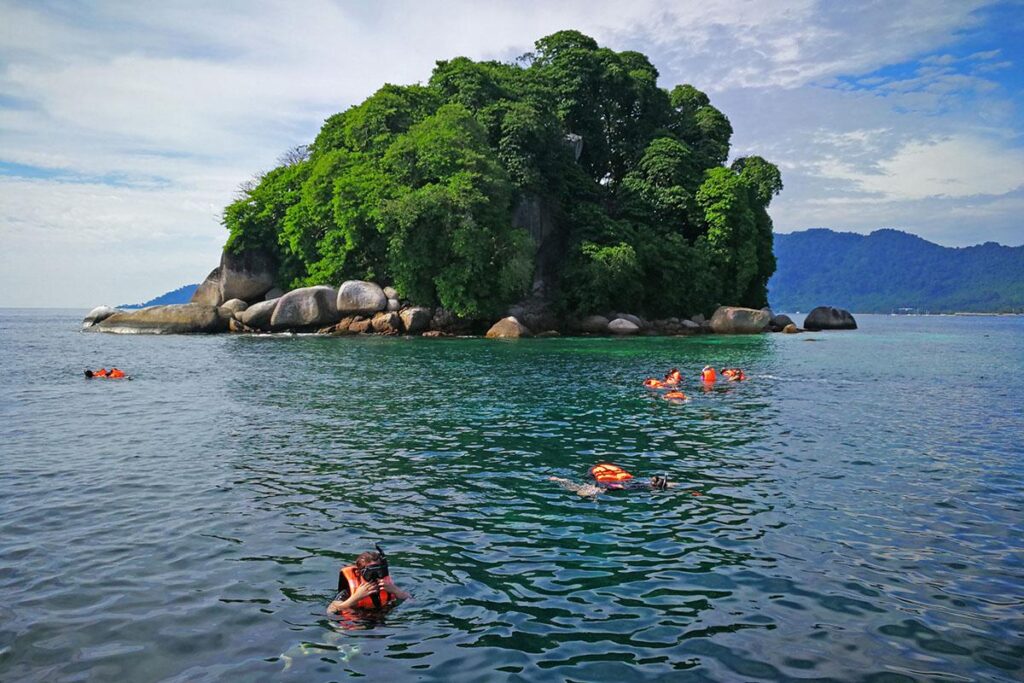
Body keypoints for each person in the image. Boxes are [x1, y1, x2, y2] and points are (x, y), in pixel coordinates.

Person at [327, 546, 410, 615]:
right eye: (370, 573)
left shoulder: (387, 587)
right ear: (359, 573)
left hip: (383, 618)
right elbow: (331, 611)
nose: (375, 577)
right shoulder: (348, 591)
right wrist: (356, 597)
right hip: (359, 621)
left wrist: (395, 590)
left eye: (379, 572)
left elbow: (411, 601)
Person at [549, 463, 679, 498]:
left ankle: (561, 480)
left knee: (582, 491)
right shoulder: (613, 469)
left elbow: (589, 480)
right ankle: (656, 483)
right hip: (625, 480)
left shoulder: (594, 471)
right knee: (635, 485)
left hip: (607, 483)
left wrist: (560, 480)